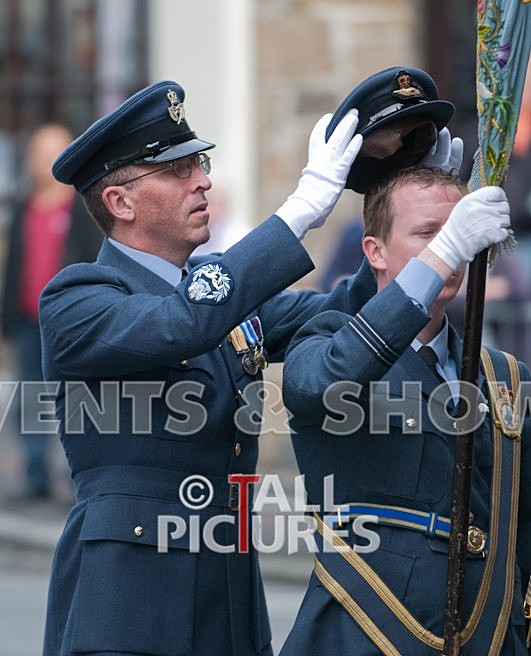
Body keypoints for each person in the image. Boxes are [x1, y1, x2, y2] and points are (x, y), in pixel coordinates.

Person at [38, 70, 460, 656]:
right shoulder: (77, 299)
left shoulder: (220, 300)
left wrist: (410, 222)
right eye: (177, 169)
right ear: (120, 201)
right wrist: (300, 211)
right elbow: (184, 322)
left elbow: (344, 310)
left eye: (199, 162)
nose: (202, 180)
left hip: (226, 601)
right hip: (129, 607)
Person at [281, 165, 531, 655]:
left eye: (456, 231)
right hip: (369, 632)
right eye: (426, 233)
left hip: (487, 636)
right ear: (375, 252)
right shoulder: (325, 344)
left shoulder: (505, 376)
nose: (450, 249)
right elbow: (325, 382)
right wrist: (441, 255)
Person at [0, 123, 102, 500]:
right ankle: (36, 476)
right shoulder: (24, 207)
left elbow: (93, 262)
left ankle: (80, 479)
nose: (47, 162)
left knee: (77, 401)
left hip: (71, 324)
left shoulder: (83, 208)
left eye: (55, 152)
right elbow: (14, 266)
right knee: (29, 398)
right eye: (41, 154)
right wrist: (7, 319)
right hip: (28, 322)